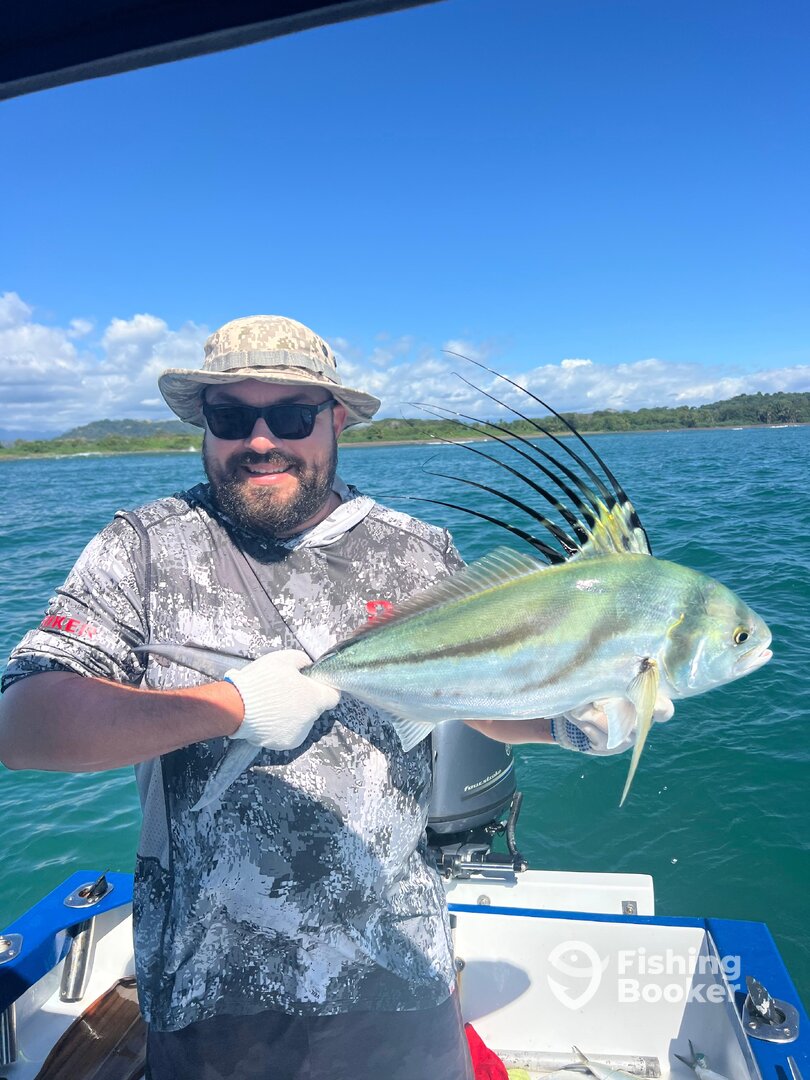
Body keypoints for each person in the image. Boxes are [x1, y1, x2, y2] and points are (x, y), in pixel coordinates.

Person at [0, 314, 665, 1079]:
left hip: (400, 975)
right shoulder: (144, 549)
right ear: (202, 423)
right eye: (230, 416)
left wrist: (568, 720)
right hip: (210, 996)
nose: (260, 440)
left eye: (291, 415)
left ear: (335, 418)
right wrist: (229, 707)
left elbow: (465, 695)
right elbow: (25, 724)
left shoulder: (416, 553)